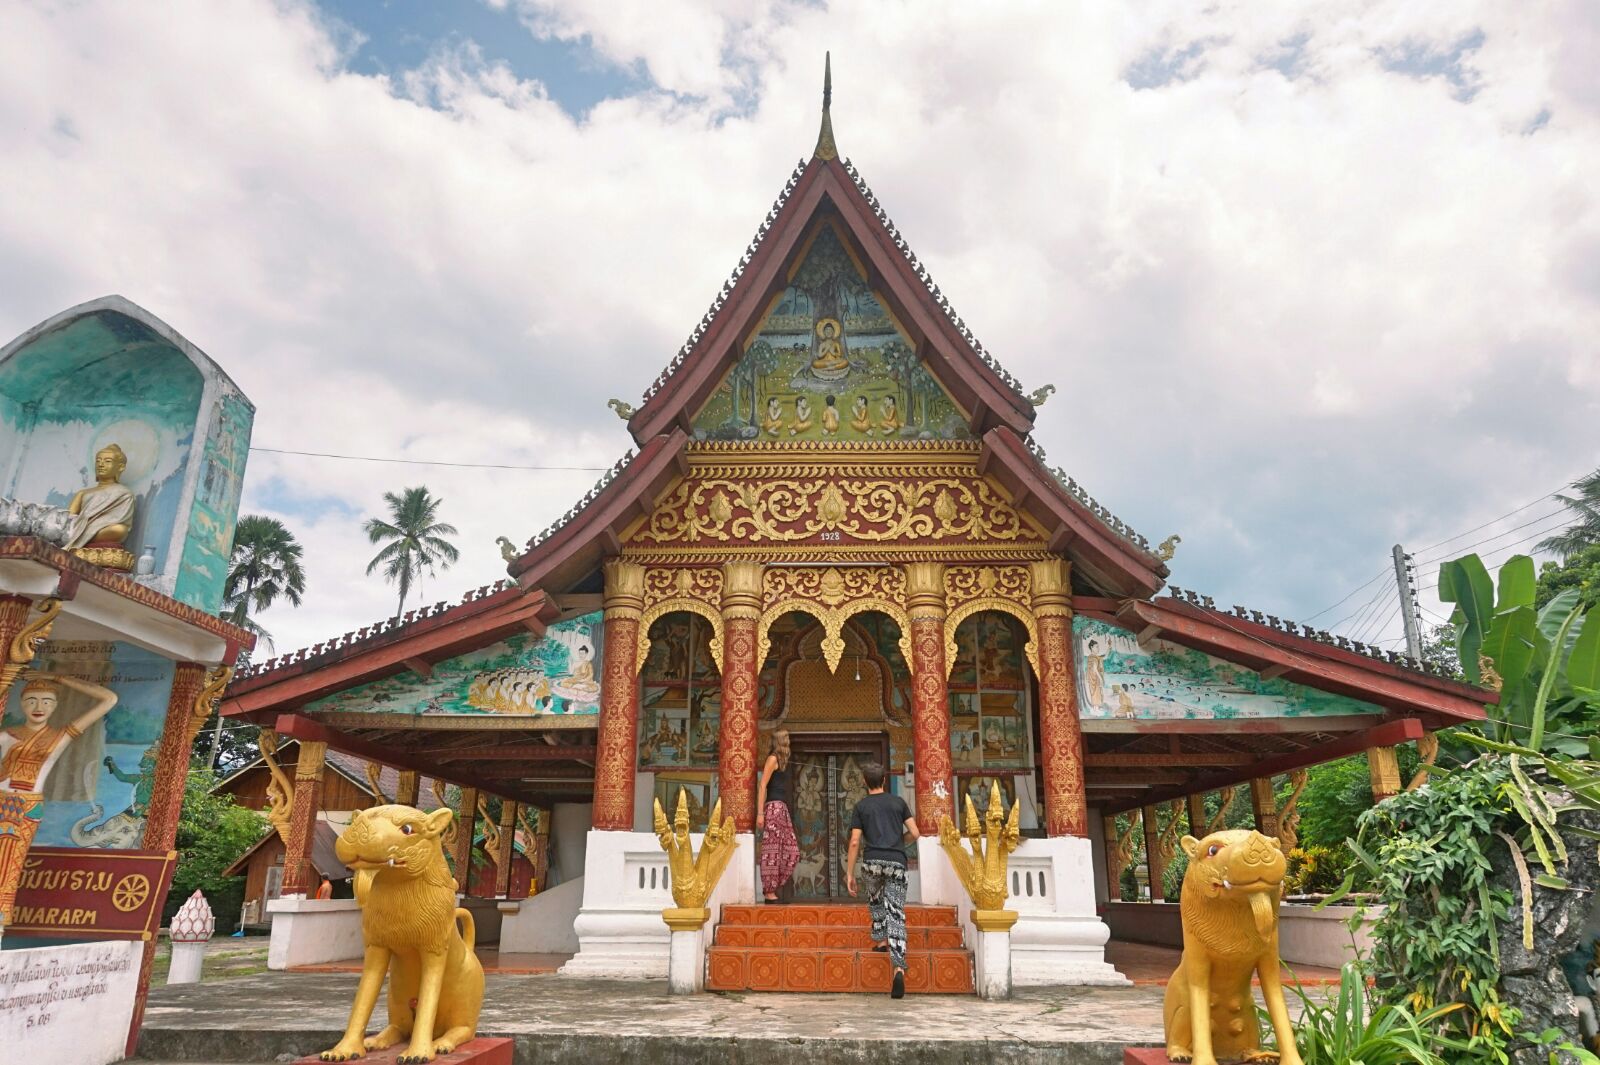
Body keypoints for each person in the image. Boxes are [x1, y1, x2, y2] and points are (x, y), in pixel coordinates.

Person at [845, 761, 919, 998]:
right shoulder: (898, 802)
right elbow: (915, 833)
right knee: (895, 911)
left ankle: (880, 941)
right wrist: (900, 843)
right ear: (884, 781)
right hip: (897, 861)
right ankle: (898, 966)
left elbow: (855, 841)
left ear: (865, 783)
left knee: (876, 900)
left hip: (872, 861)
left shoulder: (861, 806)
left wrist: (849, 873)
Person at [754, 729, 798, 903]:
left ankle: (774, 884)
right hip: (772, 808)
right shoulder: (772, 759)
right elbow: (762, 785)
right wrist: (760, 813)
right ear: (780, 741)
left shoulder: (782, 761)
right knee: (771, 851)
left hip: (782, 809)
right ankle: (769, 890)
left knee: (791, 851)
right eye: (786, 738)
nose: (788, 741)